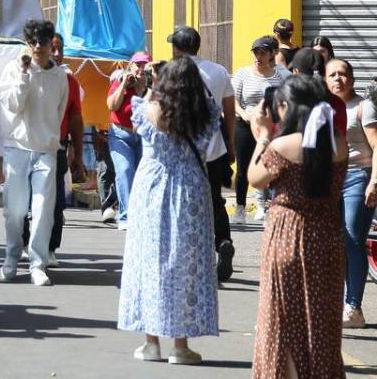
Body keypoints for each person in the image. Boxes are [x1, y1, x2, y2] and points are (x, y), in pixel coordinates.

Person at [117, 58, 222, 365]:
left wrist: (152, 87)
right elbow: (213, 133)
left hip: (152, 189)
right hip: (191, 189)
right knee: (185, 264)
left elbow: (139, 116)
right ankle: (181, 345)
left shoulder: (148, 110)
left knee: (149, 260)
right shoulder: (205, 115)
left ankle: (151, 342)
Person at [248, 74, 348, 378]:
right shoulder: (338, 143)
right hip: (328, 237)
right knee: (322, 323)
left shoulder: (281, 146)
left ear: (285, 106)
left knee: (283, 321)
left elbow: (254, 177)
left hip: (287, 235)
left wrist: (263, 136)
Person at [0, 18, 70, 286]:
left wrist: (53, 140)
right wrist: (24, 75)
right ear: (27, 43)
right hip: (17, 148)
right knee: (14, 211)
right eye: (33, 42)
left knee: (43, 210)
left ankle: (38, 263)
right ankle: (12, 256)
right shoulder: (13, 69)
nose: (38, 47)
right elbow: (13, 105)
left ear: (52, 44)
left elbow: (59, 113)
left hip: (47, 150)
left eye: (43, 41)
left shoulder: (61, 76)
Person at [167, 25, 236, 281]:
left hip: (182, 153)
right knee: (215, 201)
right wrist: (231, 144)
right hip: (214, 148)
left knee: (184, 205)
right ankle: (223, 242)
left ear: (176, 48)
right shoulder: (218, 71)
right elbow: (230, 112)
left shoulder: (171, 72)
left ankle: (193, 256)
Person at [327, 58, 377, 328]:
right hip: (330, 179)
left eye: (343, 74)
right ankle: (336, 303)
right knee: (334, 243)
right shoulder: (323, 108)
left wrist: (375, 182)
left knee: (352, 238)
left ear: (352, 79)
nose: (338, 79)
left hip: (359, 175)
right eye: (332, 74)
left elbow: (376, 145)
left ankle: (353, 307)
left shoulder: (363, 106)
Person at [230, 36, 291, 223]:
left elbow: (286, 99)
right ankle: (240, 208)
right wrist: (243, 113)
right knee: (243, 167)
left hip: (271, 126)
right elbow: (233, 99)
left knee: (270, 166)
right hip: (245, 124)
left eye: (263, 52)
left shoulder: (280, 75)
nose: (258, 56)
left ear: (272, 54)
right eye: (256, 52)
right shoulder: (242, 74)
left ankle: (267, 207)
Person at [46, 33, 86, 263]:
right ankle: (23, 241)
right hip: (29, 148)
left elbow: (76, 118)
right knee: (22, 205)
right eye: (52, 48)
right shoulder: (27, 76)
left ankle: (50, 247)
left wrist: (78, 155)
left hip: (58, 147)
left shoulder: (70, 81)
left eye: (60, 48)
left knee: (57, 202)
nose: (57, 54)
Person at [104, 52, 151, 229]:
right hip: (120, 134)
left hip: (142, 136)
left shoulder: (150, 86)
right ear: (130, 66)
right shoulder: (121, 82)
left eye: (144, 65)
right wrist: (123, 84)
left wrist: (145, 86)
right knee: (125, 171)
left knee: (140, 177)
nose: (140, 68)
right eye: (137, 64)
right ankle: (125, 217)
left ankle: (139, 215)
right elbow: (111, 106)